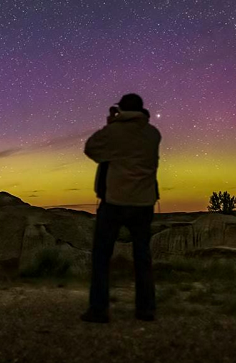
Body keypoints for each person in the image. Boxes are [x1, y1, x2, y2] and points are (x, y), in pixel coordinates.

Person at [81, 93, 161, 323]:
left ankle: (98, 310)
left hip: (115, 202)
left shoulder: (114, 132)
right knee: (142, 257)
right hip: (144, 202)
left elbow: (92, 149)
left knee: (101, 256)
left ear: (121, 110)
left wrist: (112, 122)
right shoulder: (153, 134)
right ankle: (146, 309)